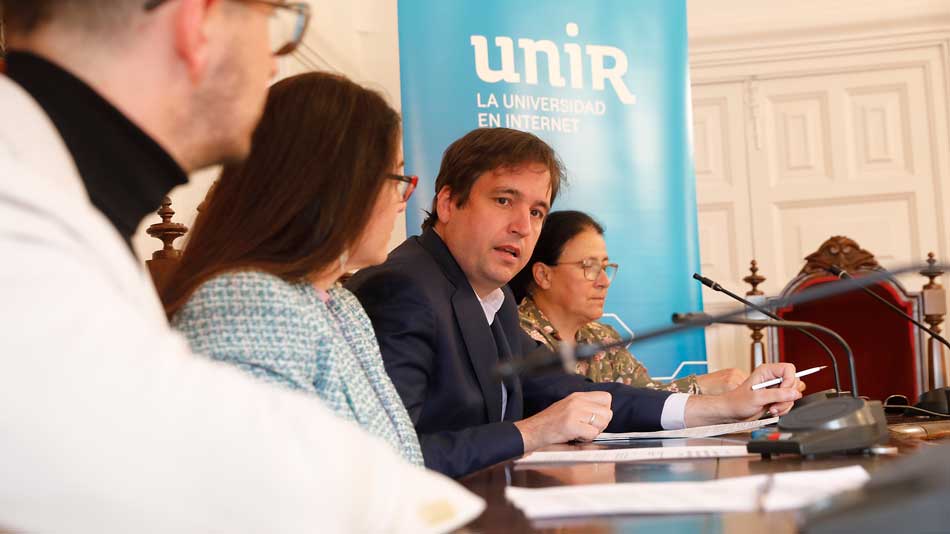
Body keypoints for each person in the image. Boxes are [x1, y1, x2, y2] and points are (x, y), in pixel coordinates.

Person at [0, 1, 481, 532]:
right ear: (198, 21)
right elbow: (199, 468)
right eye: (272, 22)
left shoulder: (69, 207)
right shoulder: (22, 218)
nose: (274, 64)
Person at [347, 127, 802, 479]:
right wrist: (533, 431)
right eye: (504, 200)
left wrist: (725, 406)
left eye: (536, 212)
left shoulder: (494, 296)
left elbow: (574, 395)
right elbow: (390, 455)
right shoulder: (404, 288)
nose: (522, 227)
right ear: (448, 203)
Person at [161, 72, 423, 465]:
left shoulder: (340, 303)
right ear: (338, 185)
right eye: (397, 177)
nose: (402, 201)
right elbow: (268, 488)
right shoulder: (246, 305)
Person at [510, 210, 749, 395]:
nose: (604, 281)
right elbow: (578, 403)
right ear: (543, 275)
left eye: (605, 268)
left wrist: (724, 395)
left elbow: (643, 397)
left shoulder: (602, 338)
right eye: (590, 267)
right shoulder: (516, 336)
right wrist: (700, 387)